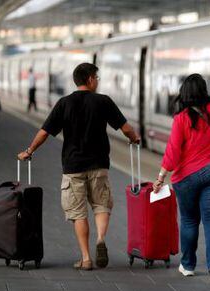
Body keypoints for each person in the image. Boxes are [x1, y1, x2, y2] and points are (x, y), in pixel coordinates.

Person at [18, 63, 140, 270]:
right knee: (101, 205)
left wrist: (29, 151)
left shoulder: (64, 103)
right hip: (99, 164)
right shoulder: (103, 101)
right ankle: (100, 239)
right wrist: (134, 138)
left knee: (78, 213)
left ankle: (85, 258)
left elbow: (45, 132)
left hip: (73, 167)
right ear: (90, 79)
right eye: (97, 78)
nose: (98, 81)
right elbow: (125, 128)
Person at [153, 73, 210, 283]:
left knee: (188, 220)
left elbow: (173, 152)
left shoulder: (182, 117)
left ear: (184, 93)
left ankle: (187, 265)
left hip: (187, 177)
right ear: (205, 89)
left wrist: (161, 176)